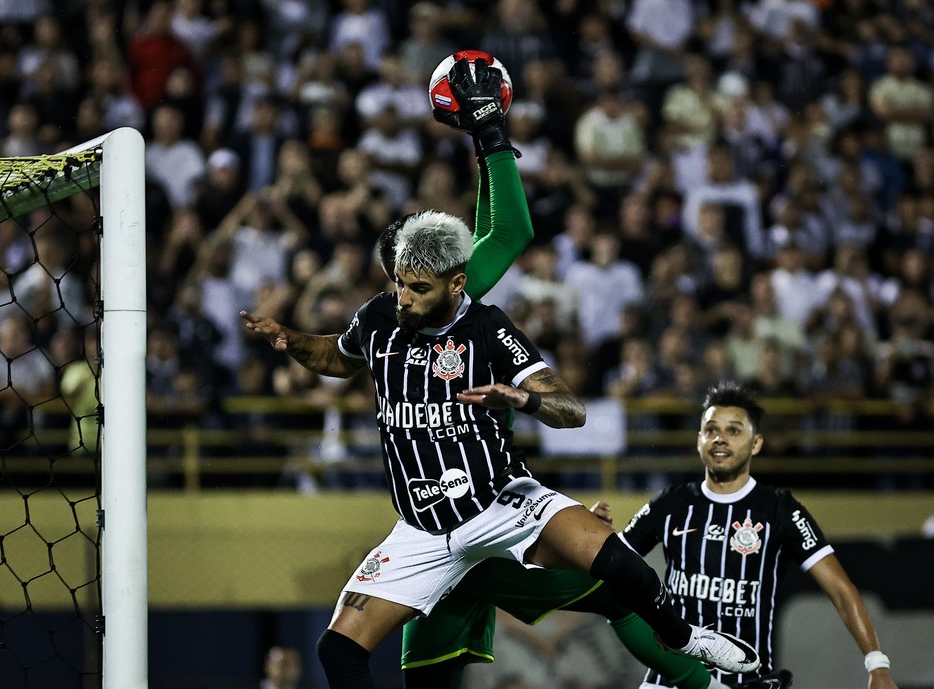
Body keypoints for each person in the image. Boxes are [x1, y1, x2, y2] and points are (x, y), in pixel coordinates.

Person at [242, 57, 760, 689]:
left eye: (416, 282)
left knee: (617, 579)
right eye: (396, 279)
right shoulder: (382, 314)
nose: (402, 294)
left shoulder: (477, 313)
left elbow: (507, 233)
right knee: (389, 665)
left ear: (452, 280)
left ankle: (707, 671)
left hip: (500, 510)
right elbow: (335, 354)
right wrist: (289, 337)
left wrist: (488, 132)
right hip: (427, 536)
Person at [619, 380, 900, 689]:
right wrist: (594, 530)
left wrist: (877, 664)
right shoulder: (670, 504)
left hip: (746, 682)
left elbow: (841, 590)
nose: (719, 439)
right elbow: (608, 563)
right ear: (699, 439)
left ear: (756, 443)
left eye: (733, 430)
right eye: (710, 430)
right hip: (670, 680)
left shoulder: (779, 509)